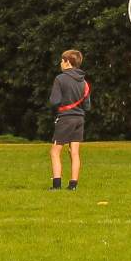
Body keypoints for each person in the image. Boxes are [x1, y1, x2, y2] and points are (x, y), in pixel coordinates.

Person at [49, 49, 91, 191]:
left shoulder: (60, 79)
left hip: (65, 118)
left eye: (62, 60)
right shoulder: (84, 82)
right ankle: (73, 185)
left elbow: (54, 101)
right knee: (74, 152)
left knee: (55, 151)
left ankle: (56, 185)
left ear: (68, 62)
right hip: (80, 119)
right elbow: (87, 106)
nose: (60, 63)